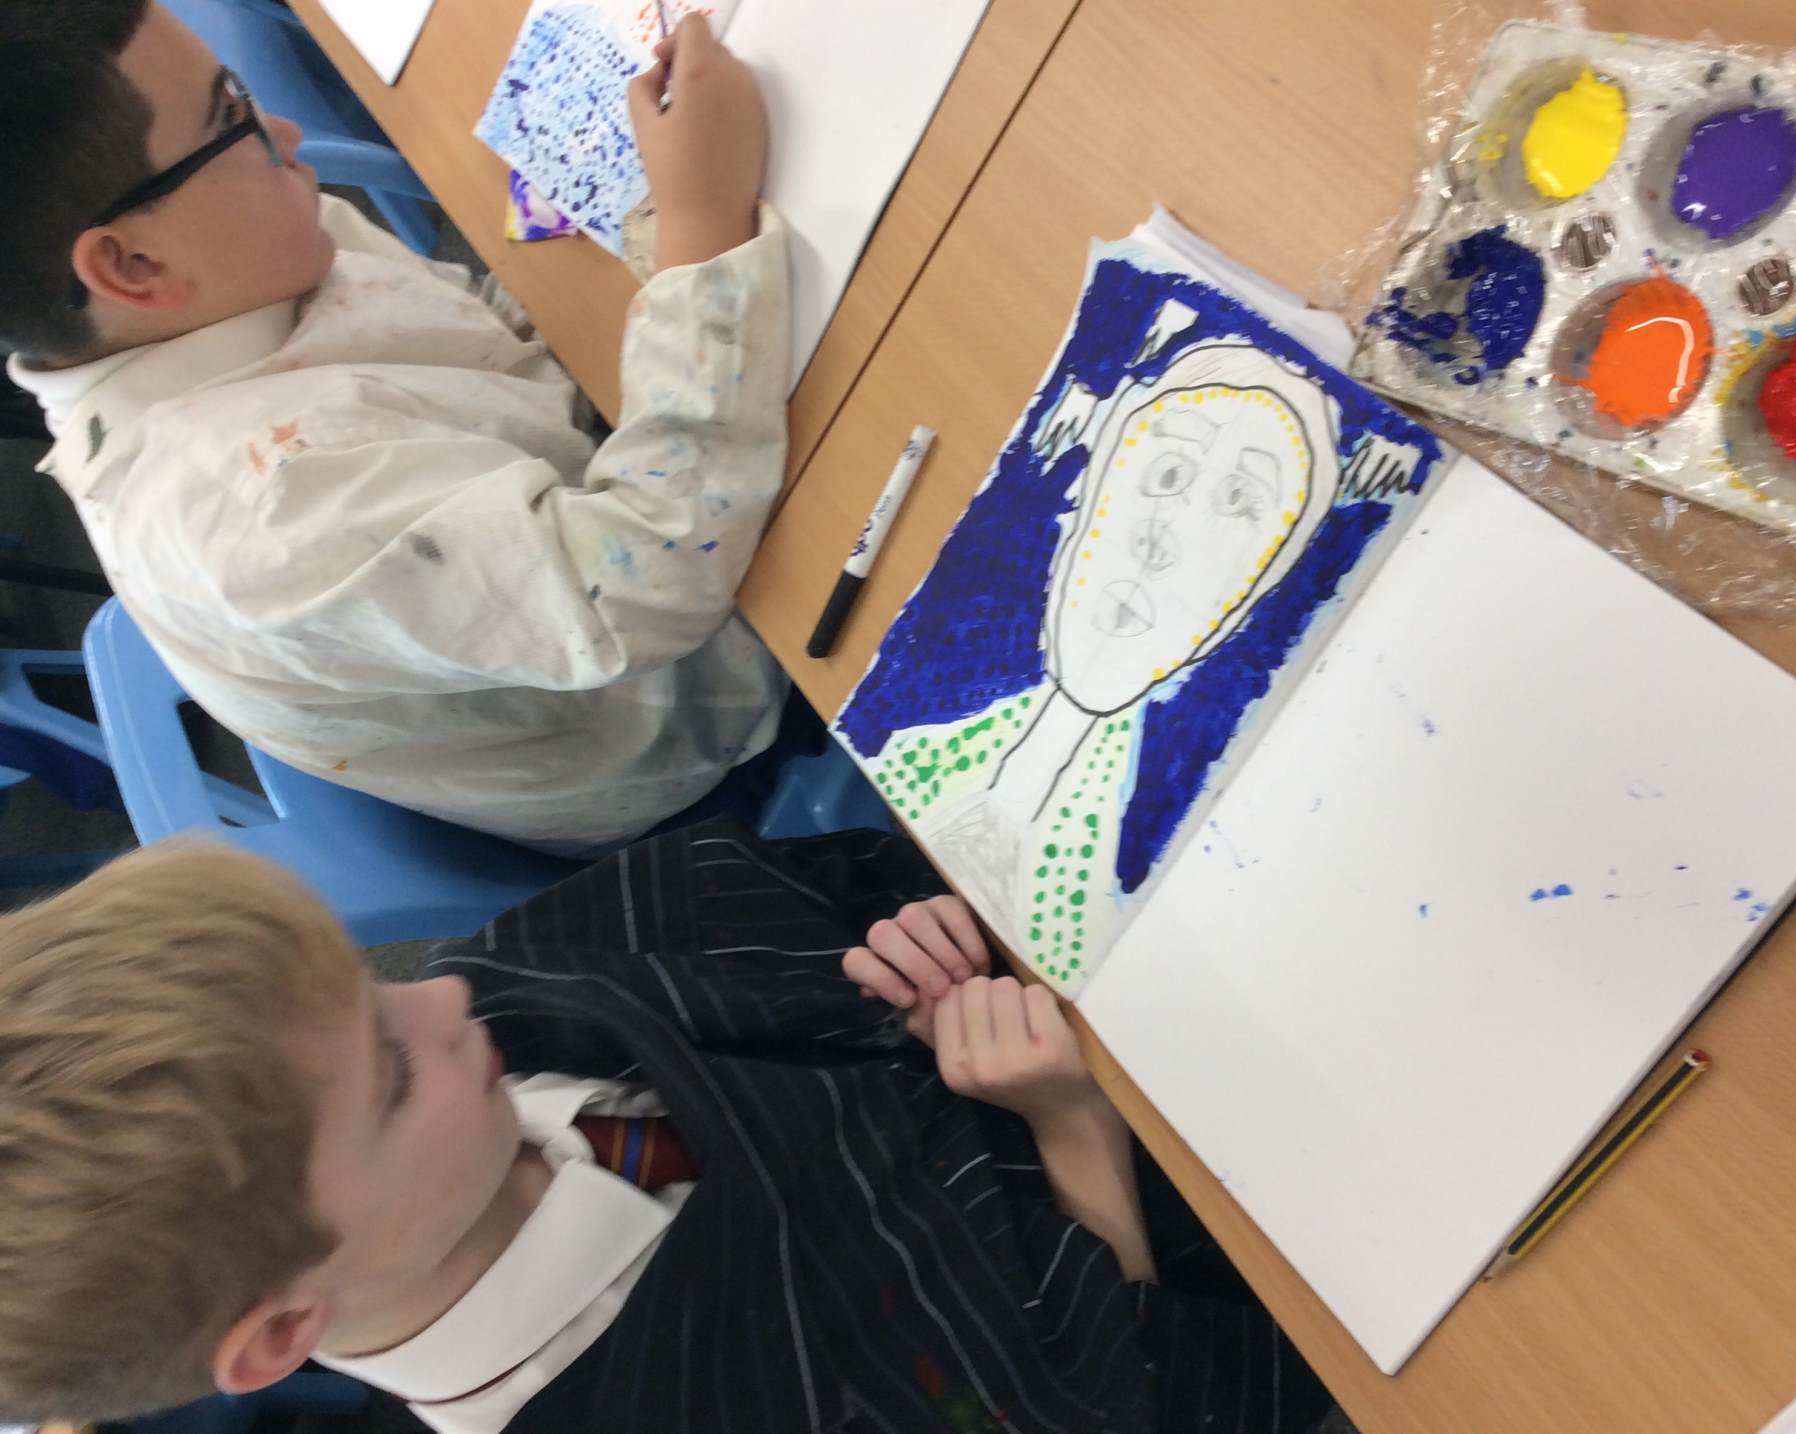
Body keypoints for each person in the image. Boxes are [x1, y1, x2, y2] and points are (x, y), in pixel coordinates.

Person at [0, 827, 1332, 1432]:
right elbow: (1152, 1405)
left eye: (372, 981)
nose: (444, 996)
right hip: (1291, 1216)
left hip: (1166, 943)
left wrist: (905, 951)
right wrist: (1069, 1127)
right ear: (281, 1332)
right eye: (391, 1076)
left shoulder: (496, 1023)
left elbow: (789, 891)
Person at [2, 1, 791, 855]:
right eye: (231, 116)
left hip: (624, 483)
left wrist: (660, 217)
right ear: (133, 264)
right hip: (706, 708)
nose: (285, 131)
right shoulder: (269, 514)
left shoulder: (242, 260)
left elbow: (476, 336)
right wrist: (701, 225)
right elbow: (655, 583)